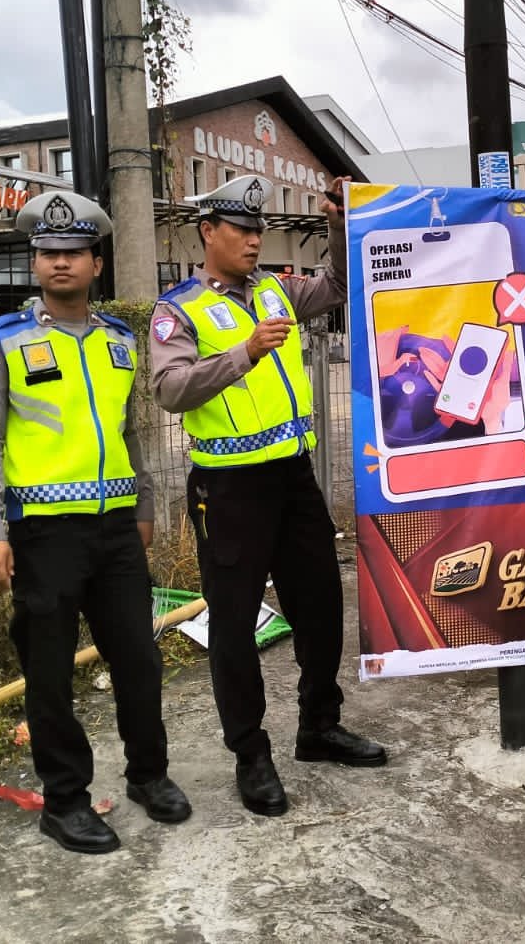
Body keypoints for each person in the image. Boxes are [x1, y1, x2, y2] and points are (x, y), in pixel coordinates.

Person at [149, 174, 385, 817]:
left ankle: (318, 727)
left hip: (293, 477)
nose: (254, 240)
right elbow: (170, 390)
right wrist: (243, 353)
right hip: (228, 491)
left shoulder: (278, 289)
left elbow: (336, 287)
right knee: (233, 626)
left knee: (319, 605)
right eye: (242, 230)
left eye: (259, 231)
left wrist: (338, 225)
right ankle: (251, 756)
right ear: (209, 232)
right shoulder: (179, 311)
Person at [0, 191, 190, 854]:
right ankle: (64, 801)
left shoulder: (120, 341)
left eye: (73, 253)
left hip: (116, 530)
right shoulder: (2, 342)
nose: (59, 262)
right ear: (35, 264)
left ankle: (150, 776)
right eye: (47, 253)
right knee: (50, 671)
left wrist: (144, 505)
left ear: (96, 263)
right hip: (41, 534)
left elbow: (130, 433)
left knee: (140, 660)